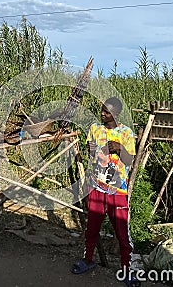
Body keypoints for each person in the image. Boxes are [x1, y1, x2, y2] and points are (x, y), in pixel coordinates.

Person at [71, 97, 140, 286]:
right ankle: (88, 259)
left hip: (117, 192)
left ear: (115, 114)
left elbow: (129, 161)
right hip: (95, 187)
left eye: (106, 112)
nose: (102, 114)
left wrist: (119, 148)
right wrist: (90, 148)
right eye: (102, 110)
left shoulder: (126, 133)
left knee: (122, 234)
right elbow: (90, 152)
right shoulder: (95, 129)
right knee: (91, 229)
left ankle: (127, 270)